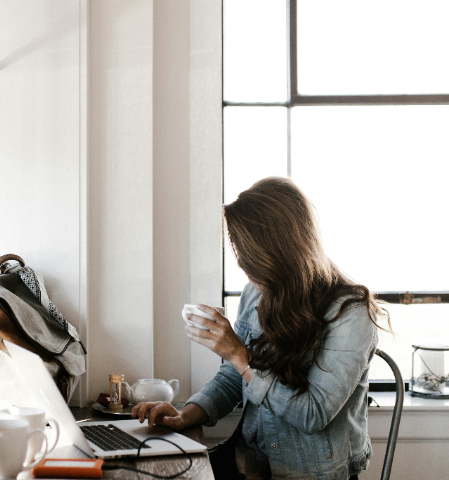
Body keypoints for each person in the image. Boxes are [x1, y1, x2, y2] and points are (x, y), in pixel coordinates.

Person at [132, 177, 391, 480]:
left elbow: (313, 413)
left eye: (248, 254)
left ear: (280, 250)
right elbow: (234, 377)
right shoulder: (257, 292)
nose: (242, 264)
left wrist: (239, 354)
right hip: (250, 463)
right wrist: (184, 415)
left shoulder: (351, 314)